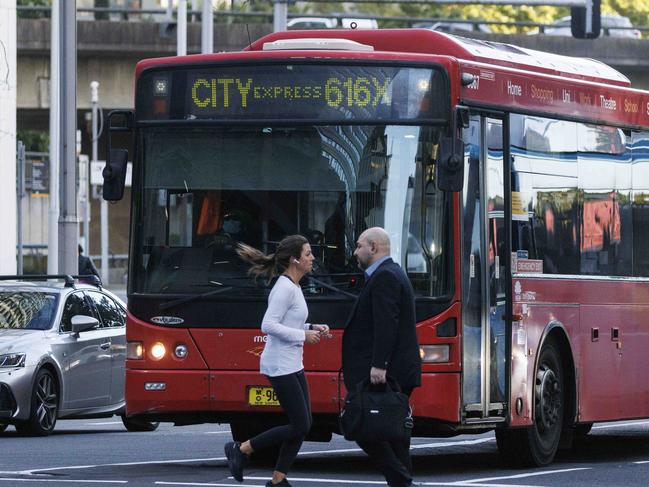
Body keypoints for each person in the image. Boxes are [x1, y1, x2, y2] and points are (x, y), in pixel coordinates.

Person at [224, 235, 329, 487]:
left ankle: (278, 480)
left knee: (304, 424)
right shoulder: (283, 287)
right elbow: (268, 325)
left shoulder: (294, 286)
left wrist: (312, 326)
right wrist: (304, 335)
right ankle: (242, 449)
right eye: (307, 254)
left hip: (293, 362)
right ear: (295, 260)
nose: (312, 258)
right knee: (300, 424)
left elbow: (288, 322)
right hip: (279, 364)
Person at [342, 227, 421, 487]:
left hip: (387, 371)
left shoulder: (385, 276)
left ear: (373, 247)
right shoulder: (390, 273)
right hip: (395, 369)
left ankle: (401, 479)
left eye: (359, 246)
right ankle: (402, 481)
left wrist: (379, 365)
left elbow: (386, 324)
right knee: (395, 435)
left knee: (361, 424)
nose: (355, 252)